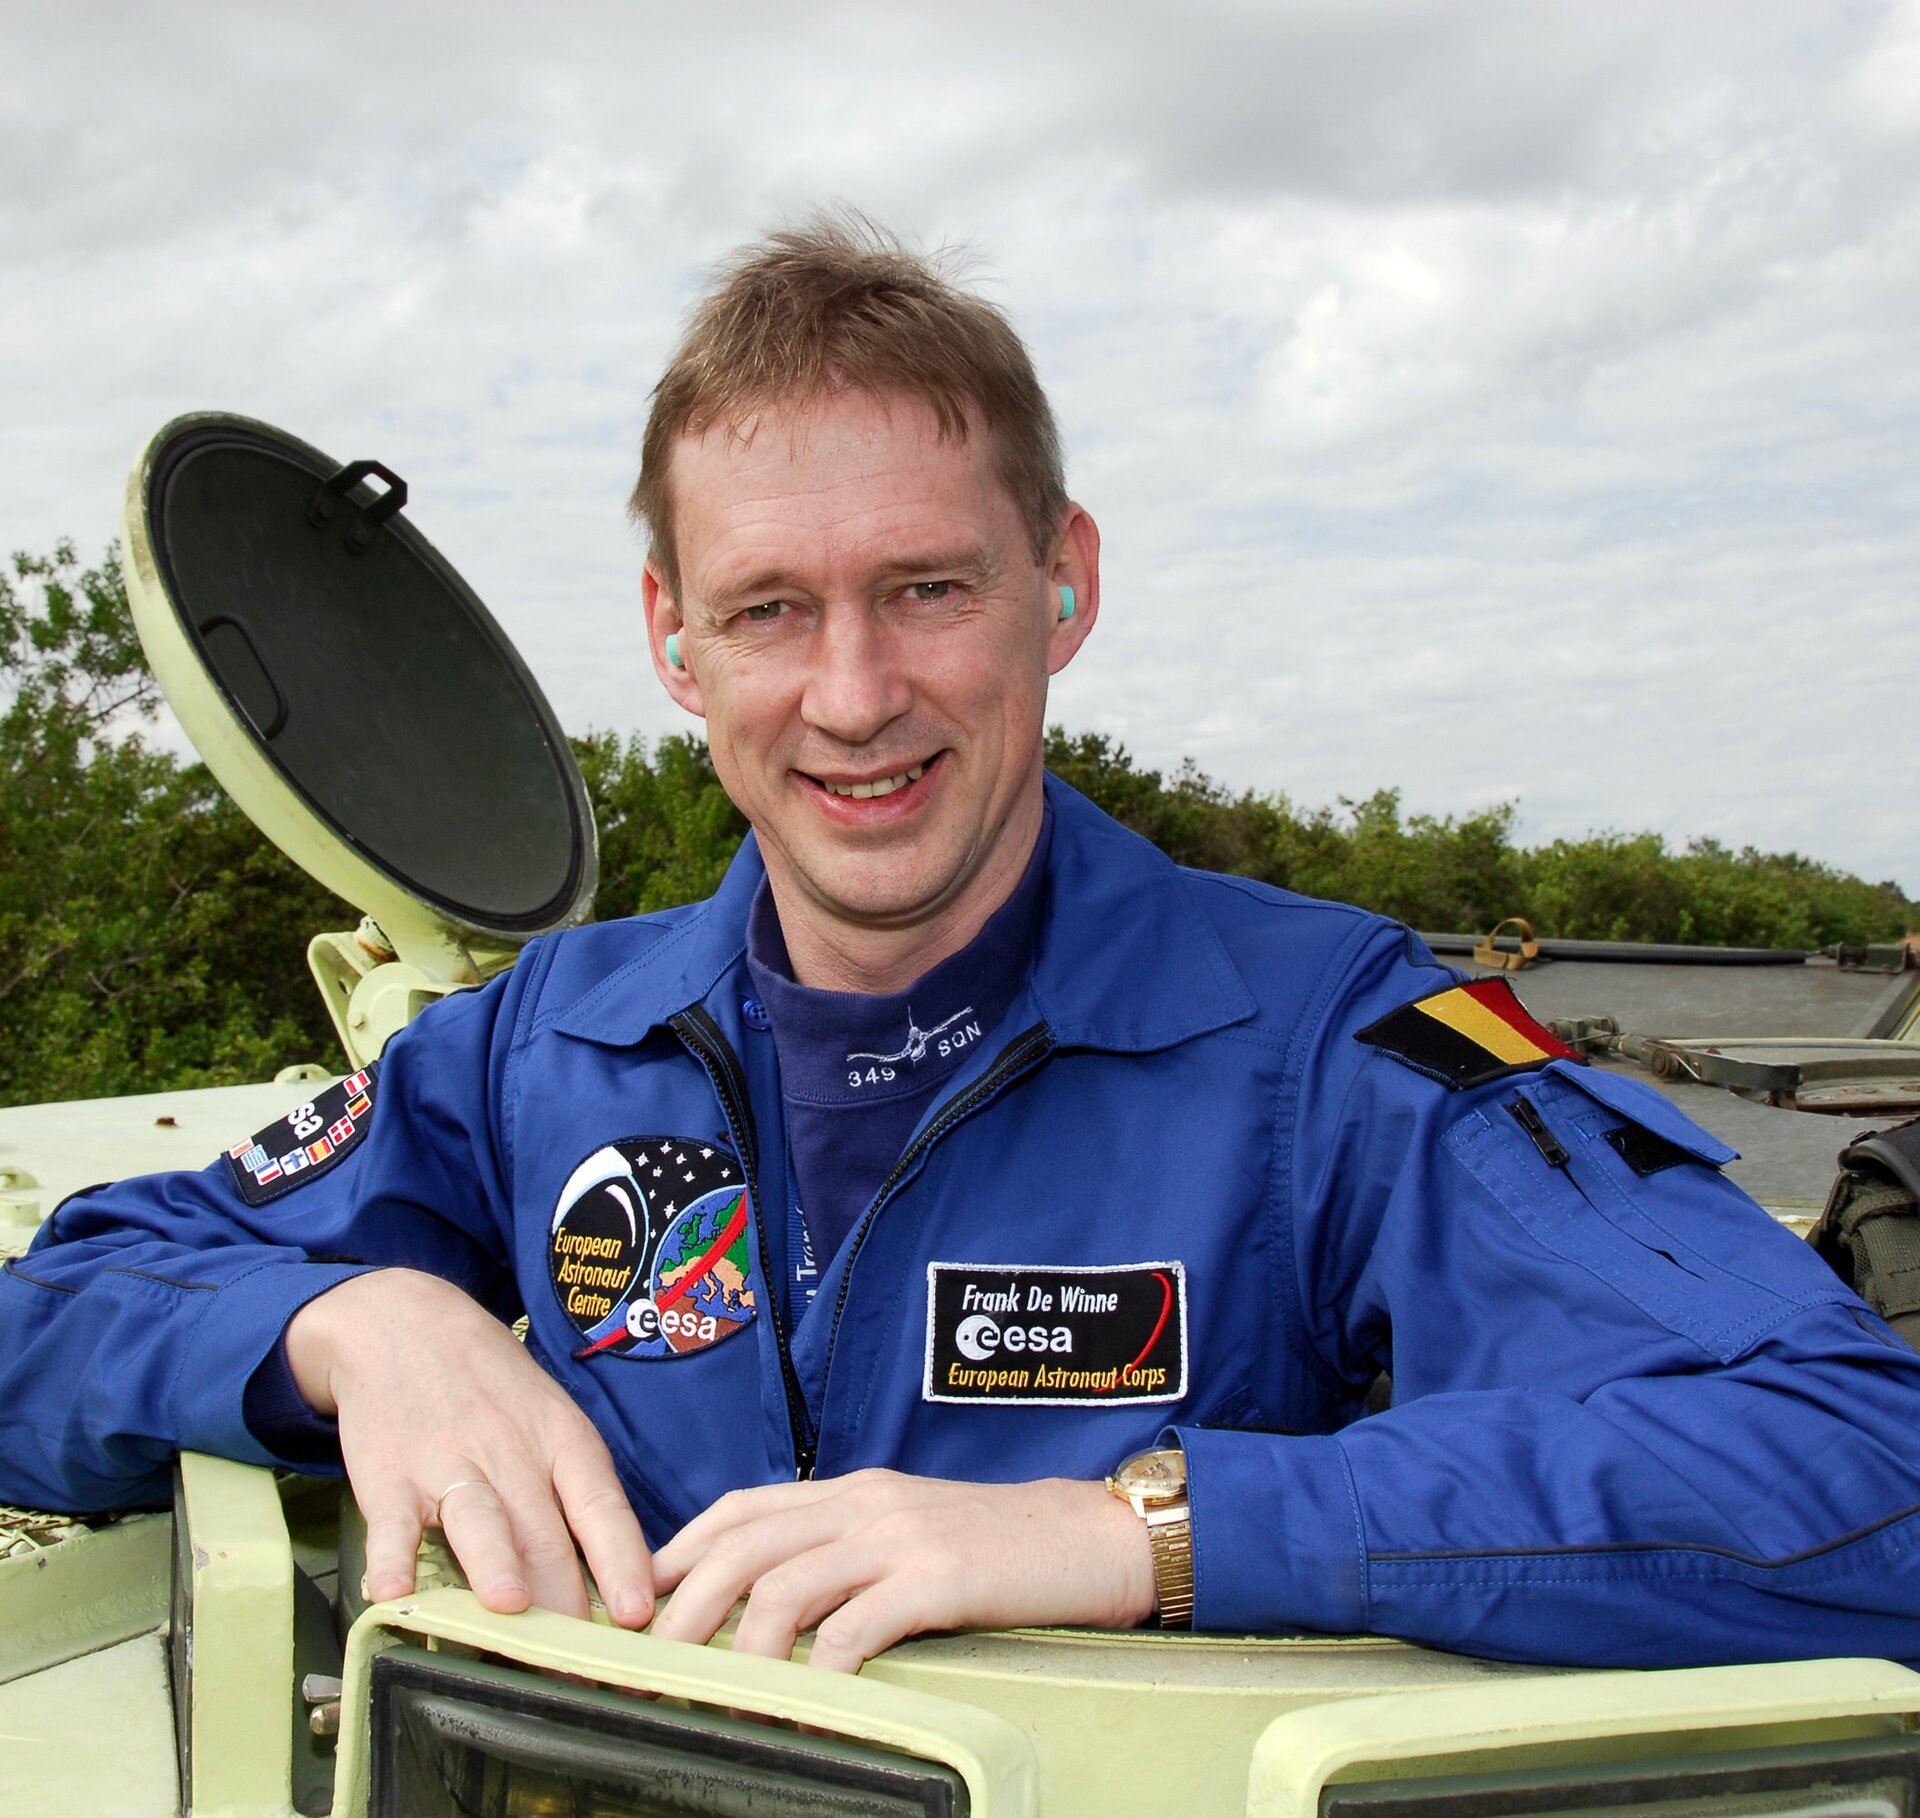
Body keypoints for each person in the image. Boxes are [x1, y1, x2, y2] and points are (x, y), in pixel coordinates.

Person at [5, 216, 1920, 1677]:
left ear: (1061, 585)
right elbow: (51, 1320)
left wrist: (1148, 1532)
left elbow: (1860, 1466)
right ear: (675, 643)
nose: (853, 695)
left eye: (926, 586)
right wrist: (349, 1321)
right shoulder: (541, 1048)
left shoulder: (1335, 1054)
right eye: (769, 610)